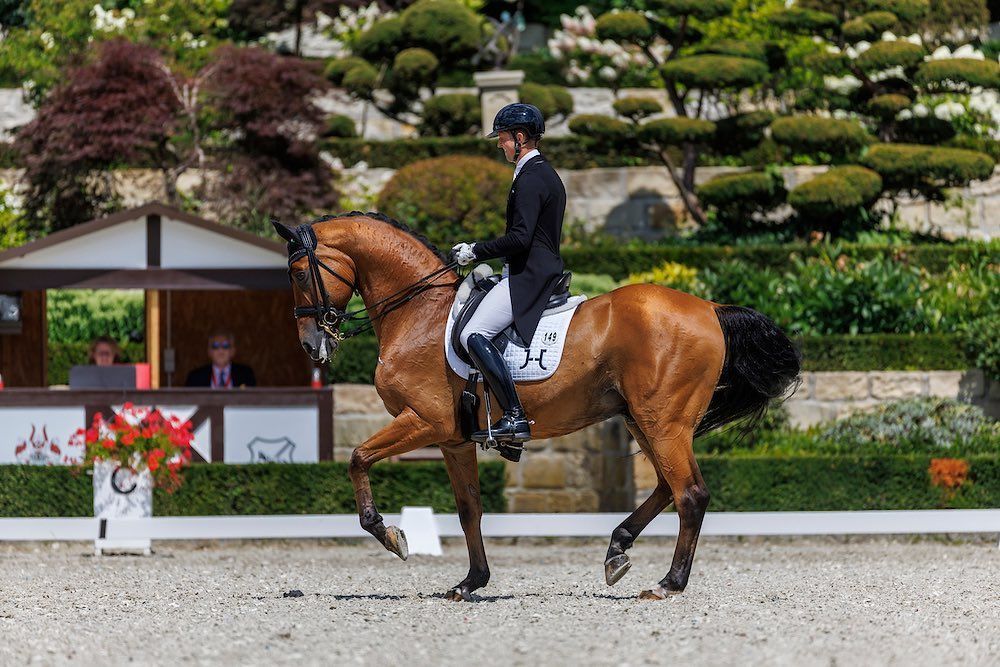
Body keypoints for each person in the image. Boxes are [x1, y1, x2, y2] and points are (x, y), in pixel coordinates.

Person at [451, 103, 567, 452]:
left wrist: (475, 250)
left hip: (529, 275)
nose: (500, 145)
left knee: (473, 333)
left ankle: (514, 414)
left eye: (502, 139)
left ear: (519, 138)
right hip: (530, 269)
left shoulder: (532, 177)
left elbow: (520, 238)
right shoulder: (538, 173)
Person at [185, 331, 256, 388]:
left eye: (225, 346)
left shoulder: (246, 374)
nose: (220, 350)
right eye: (215, 346)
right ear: (209, 351)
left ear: (233, 351)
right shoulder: (195, 378)